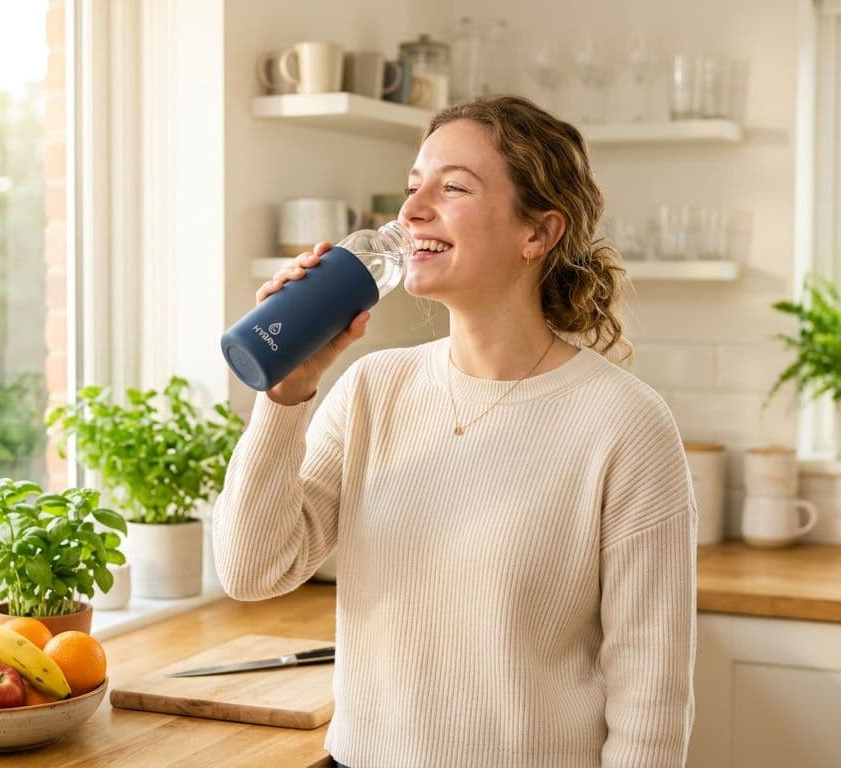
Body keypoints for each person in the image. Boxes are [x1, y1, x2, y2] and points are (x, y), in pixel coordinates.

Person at [213, 95, 695, 768]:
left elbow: (651, 696)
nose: (411, 212)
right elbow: (251, 569)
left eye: (453, 188)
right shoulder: (371, 391)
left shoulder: (624, 424)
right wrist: (285, 394)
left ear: (539, 234)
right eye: (414, 188)